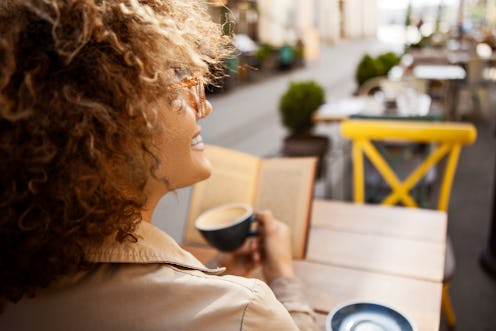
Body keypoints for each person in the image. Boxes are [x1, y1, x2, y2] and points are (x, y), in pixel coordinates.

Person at [0, 1, 318, 330]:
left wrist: (208, 274)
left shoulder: (18, 280)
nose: (204, 107)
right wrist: (283, 278)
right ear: (110, 125)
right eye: (175, 83)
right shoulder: (244, 311)